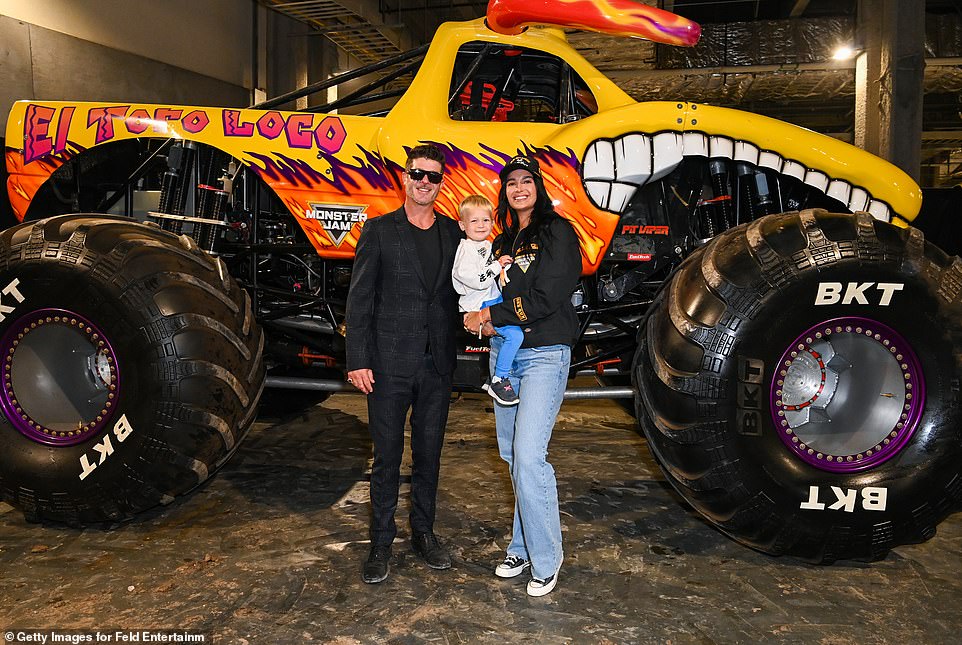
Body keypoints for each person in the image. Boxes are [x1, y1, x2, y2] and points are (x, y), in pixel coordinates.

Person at [463, 155, 581, 597]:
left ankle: (547, 559)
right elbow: (487, 289)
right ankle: (522, 545)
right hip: (504, 357)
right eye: (511, 182)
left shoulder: (557, 232)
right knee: (513, 457)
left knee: (531, 458)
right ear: (504, 191)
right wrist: (476, 315)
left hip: (546, 353)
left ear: (538, 187)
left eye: (526, 181)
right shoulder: (501, 240)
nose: (518, 188)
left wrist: (490, 314)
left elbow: (549, 293)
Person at [345, 144, 463, 584]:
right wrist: (358, 359)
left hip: (437, 366)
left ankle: (424, 534)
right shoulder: (378, 231)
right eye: (418, 173)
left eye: (433, 176)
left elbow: (467, 287)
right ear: (405, 177)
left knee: (429, 457)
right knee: (387, 460)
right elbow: (359, 302)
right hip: (388, 366)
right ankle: (380, 543)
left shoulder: (454, 234)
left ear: (440, 182)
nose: (424, 182)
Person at [451, 194, 523, 406]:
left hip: (492, 299)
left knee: (514, 332)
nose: (481, 225)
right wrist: (497, 265)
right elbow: (477, 280)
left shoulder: (487, 245)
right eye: (474, 221)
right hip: (479, 305)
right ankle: (499, 379)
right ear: (462, 225)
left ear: (493, 222)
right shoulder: (465, 250)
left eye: (485, 220)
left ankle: (495, 375)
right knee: (515, 336)